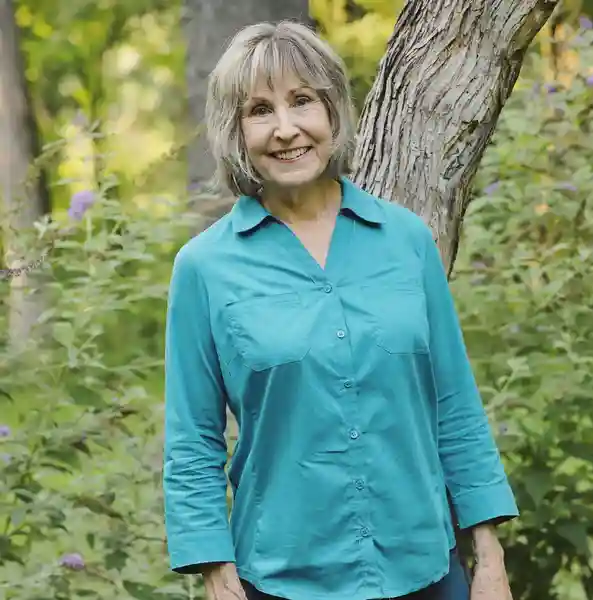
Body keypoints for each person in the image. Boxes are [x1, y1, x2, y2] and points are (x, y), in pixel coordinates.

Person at [163, 20, 519, 600]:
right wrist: (214, 569)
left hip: (426, 570)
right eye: (259, 110)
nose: (286, 129)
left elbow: (454, 405)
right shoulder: (204, 268)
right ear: (236, 131)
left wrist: (489, 557)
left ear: (332, 112)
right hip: (282, 578)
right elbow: (193, 437)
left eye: (302, 101)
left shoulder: (406, 241)